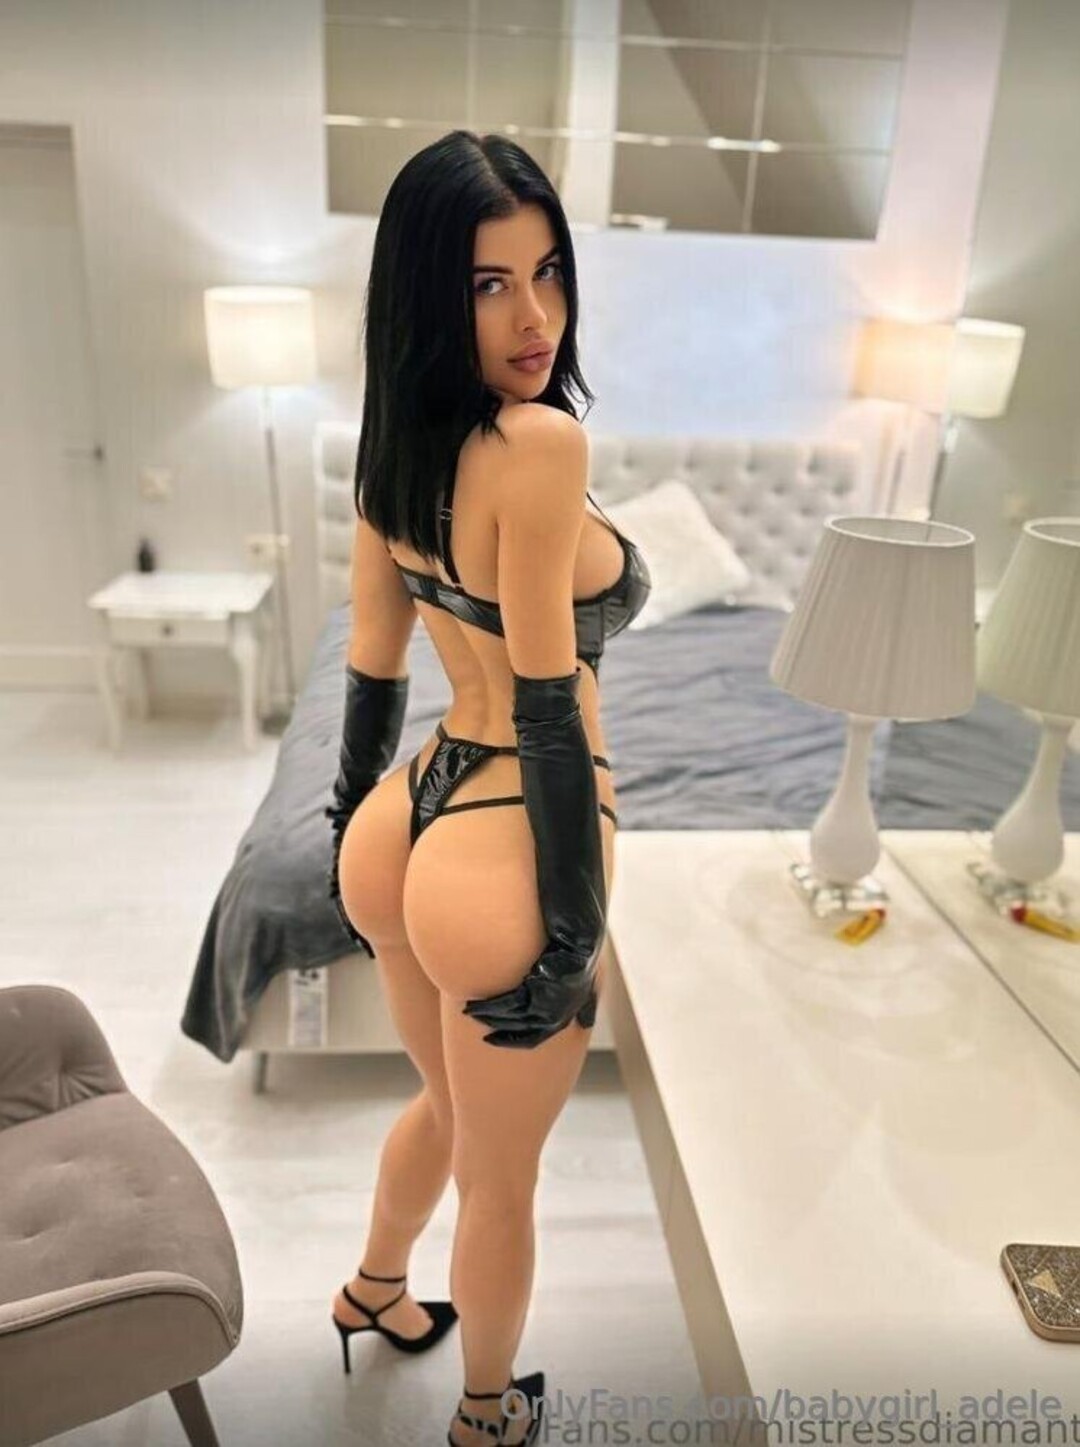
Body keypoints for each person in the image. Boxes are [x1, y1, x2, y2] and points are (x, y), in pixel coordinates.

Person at [324, 129, 651, 1447]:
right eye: (488, 285)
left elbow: (372, 662)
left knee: (450, 1110)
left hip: (408, 817)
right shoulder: (540, 446)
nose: (535, 318)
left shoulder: (390, 447)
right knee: (502, 1180)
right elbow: (545, 696)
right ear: (427, 294)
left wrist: (345, 835)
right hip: (513, 833)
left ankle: (373, 1289)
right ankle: (484, 1416)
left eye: (549, 272)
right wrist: (571, 930)